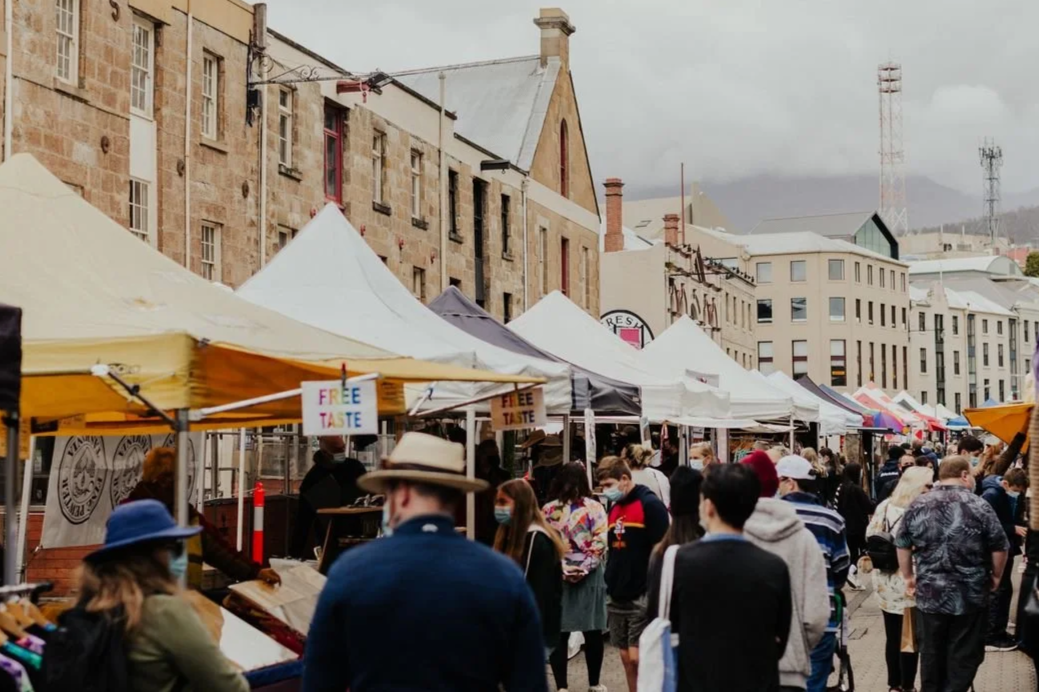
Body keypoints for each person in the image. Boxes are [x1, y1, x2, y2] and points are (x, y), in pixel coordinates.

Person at [303, 433, 547, 692]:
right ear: (454, 498)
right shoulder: (503, 576)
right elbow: (529, 684)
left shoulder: (350, 572)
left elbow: (320, 681)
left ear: (403, 494)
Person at [648, 463, 792, 692]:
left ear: (708, 506)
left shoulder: (675, 561)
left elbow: (659, 625)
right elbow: (779, 641)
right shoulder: (774, 567)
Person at [78, 499, 249, 692]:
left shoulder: (93, 606)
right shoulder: (165, 611)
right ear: (154, 556)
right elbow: (230, 688)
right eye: (175, 547)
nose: (182, 555)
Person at [895, 455, 1009, 691]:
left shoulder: (919, 504)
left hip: (930, 595)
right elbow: (1000, 546)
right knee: (965, 655)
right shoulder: (980, 505)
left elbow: (902, 543)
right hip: (970, 595)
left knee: (931, 654)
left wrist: (908, 577)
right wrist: (996, 577)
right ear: (964, 475)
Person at [127, 447, 280, 588]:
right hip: (143, 609)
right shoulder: (130, 516)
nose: (181, 485)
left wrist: (255, 572)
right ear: (159, 480)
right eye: (176, 479)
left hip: (186, 605)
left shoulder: (189, 517)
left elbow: (221, 552)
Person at [741, 451, 830, 692]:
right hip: (790, 668)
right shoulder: (803, 537)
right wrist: (797, 645)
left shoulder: (726, 536)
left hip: (736, 668)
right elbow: (816, 615)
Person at [777, 454, 851, 692]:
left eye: (780, 480)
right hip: (821, 618)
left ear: (790, 482)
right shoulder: (831, 520)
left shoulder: (769, 516)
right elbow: (841, 569)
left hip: (776, 620)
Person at [598, 459, 669, 692]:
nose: (606, 491)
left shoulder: (650, 505)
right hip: (617, 593)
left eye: (609, 484)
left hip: (642, 592)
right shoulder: (614, 508)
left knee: (638, 657)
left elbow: (662, 549)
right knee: (626, 658)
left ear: (625, 479)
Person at [543, 463, 610, 692]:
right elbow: (601, 540)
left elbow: (547, 544)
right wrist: (585, 567)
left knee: (560, 632)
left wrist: (563, 568)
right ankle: (594, 683)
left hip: (558, 574)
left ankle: (562, 686)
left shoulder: (549, 510)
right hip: (590, 576)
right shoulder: (595, 507)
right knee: (593, 631)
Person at [867, 466, 933, 692]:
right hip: (908, 581)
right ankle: (907, 685)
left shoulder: (884, 506)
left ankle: (893, 684)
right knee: (910, 638)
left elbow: (870, 535)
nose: (930, 490)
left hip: (885, 579)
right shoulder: (919, 510)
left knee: (892, 635)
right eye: (927, 485)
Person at [493, 479, 565, 653]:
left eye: (503, 502)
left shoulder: (537, 540)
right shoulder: (509, 536)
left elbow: (539, 593)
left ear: (520, 504)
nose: (497, 507)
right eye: (496, 502)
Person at [291, 436, 369, 559]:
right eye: (337, 450)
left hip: (360, 534)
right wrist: (294, 554)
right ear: (325, 452)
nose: (341, 453)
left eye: (342, 448)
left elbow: (370, 495)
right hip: (329, 540)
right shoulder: (313, 479)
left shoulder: (354, 467)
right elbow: (303, 521)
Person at [980, 466, 1029, 651]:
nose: (1016, 494)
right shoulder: (992, 495)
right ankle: (992, 635)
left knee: (1004, 589)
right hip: (997, 548)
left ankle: (997, 631)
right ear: (1006, 483)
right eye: (1015, 491)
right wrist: (1012, 528)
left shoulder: (1002, 494)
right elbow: (988, 523)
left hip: (1007, 546)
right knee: (998, 589)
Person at [835, 462, 874, 590]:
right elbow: (868, 507)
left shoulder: (840, 487)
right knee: (865, 550)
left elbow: (836, 506)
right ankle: (851, 570)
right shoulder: (857, 489)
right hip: (859, 525)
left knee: (852, 550)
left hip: (845, 525)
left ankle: (855, 578)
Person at [475, 439, 510, 546]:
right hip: (476, 522)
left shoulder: (503, 475)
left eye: (495, 454)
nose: (493, 458)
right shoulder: (471, 473)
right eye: (489, 454)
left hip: (495, 523)